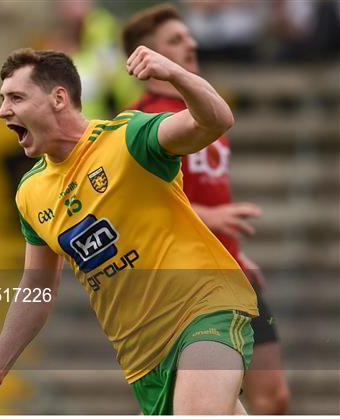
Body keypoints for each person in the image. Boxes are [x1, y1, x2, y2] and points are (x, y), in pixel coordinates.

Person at [0, 46, 258, 415]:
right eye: (2, 99)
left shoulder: (128, 138)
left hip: (205, 308)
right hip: (143, 357)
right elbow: (37, 285)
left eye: (16, 97)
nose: (2, 110)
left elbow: (215, 121)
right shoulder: (30, 193)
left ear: (58, 98)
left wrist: (176, 74)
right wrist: (0, 362)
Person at [122, 4, 290, 414]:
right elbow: (135, 207)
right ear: (149, 56)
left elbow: (203, 194)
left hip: (227, 265)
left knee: (273, 398)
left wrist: (235, 248)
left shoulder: (206, 115)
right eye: (175, 41)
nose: (191, 43)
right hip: (187, 283)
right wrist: (209, 218)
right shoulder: (142, 124)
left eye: (188, 36)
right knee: (223, 403)